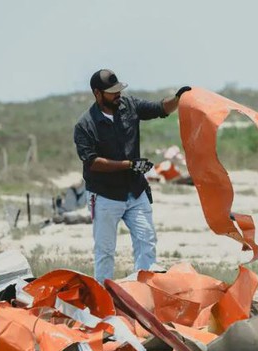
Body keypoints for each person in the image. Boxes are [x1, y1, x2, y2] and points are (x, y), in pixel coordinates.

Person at [73, 68, 191, 282]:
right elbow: (92, 163)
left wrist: (178, 98)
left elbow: (159, 109)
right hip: (105, 196)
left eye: (119, 89)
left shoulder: (130, 106)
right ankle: (103, 297)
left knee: (147, 240)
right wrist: (129, 165)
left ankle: (144, 290)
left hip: (135, 192)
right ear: (97, 94)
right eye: (112, 91)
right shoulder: (85, 125)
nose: (118, 94)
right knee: (105, 251)